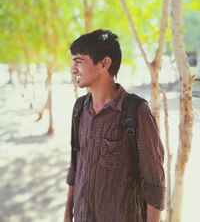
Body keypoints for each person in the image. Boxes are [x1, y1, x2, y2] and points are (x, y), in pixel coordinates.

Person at [64, 29, 165, 222]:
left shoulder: (136, 112)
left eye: (78, 61)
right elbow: (76, 165)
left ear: (104, 63)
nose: (73, 68)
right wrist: (68, 213)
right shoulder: (79, 109)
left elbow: (155, 183)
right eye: (72, 62)